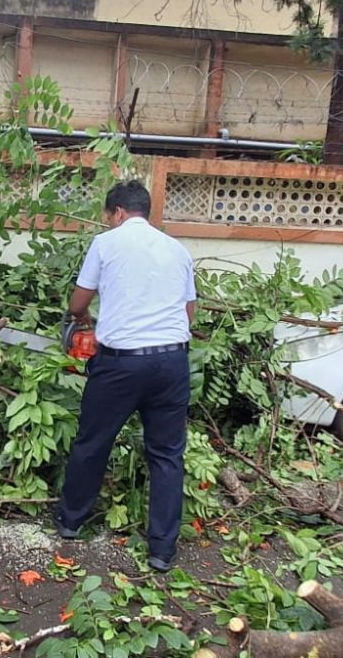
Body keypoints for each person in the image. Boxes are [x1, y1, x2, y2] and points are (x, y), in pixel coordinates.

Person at [54, 180, 195, 572]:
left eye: (108, 216)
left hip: (121, 363)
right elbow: (188, 313)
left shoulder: (106, 243)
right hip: (172, 361)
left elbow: (78, 301)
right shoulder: (178, 249)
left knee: (93, 441)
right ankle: (162, 550)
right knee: (167, 455)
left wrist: (84, 319)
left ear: (117, 213)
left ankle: (71, 521)